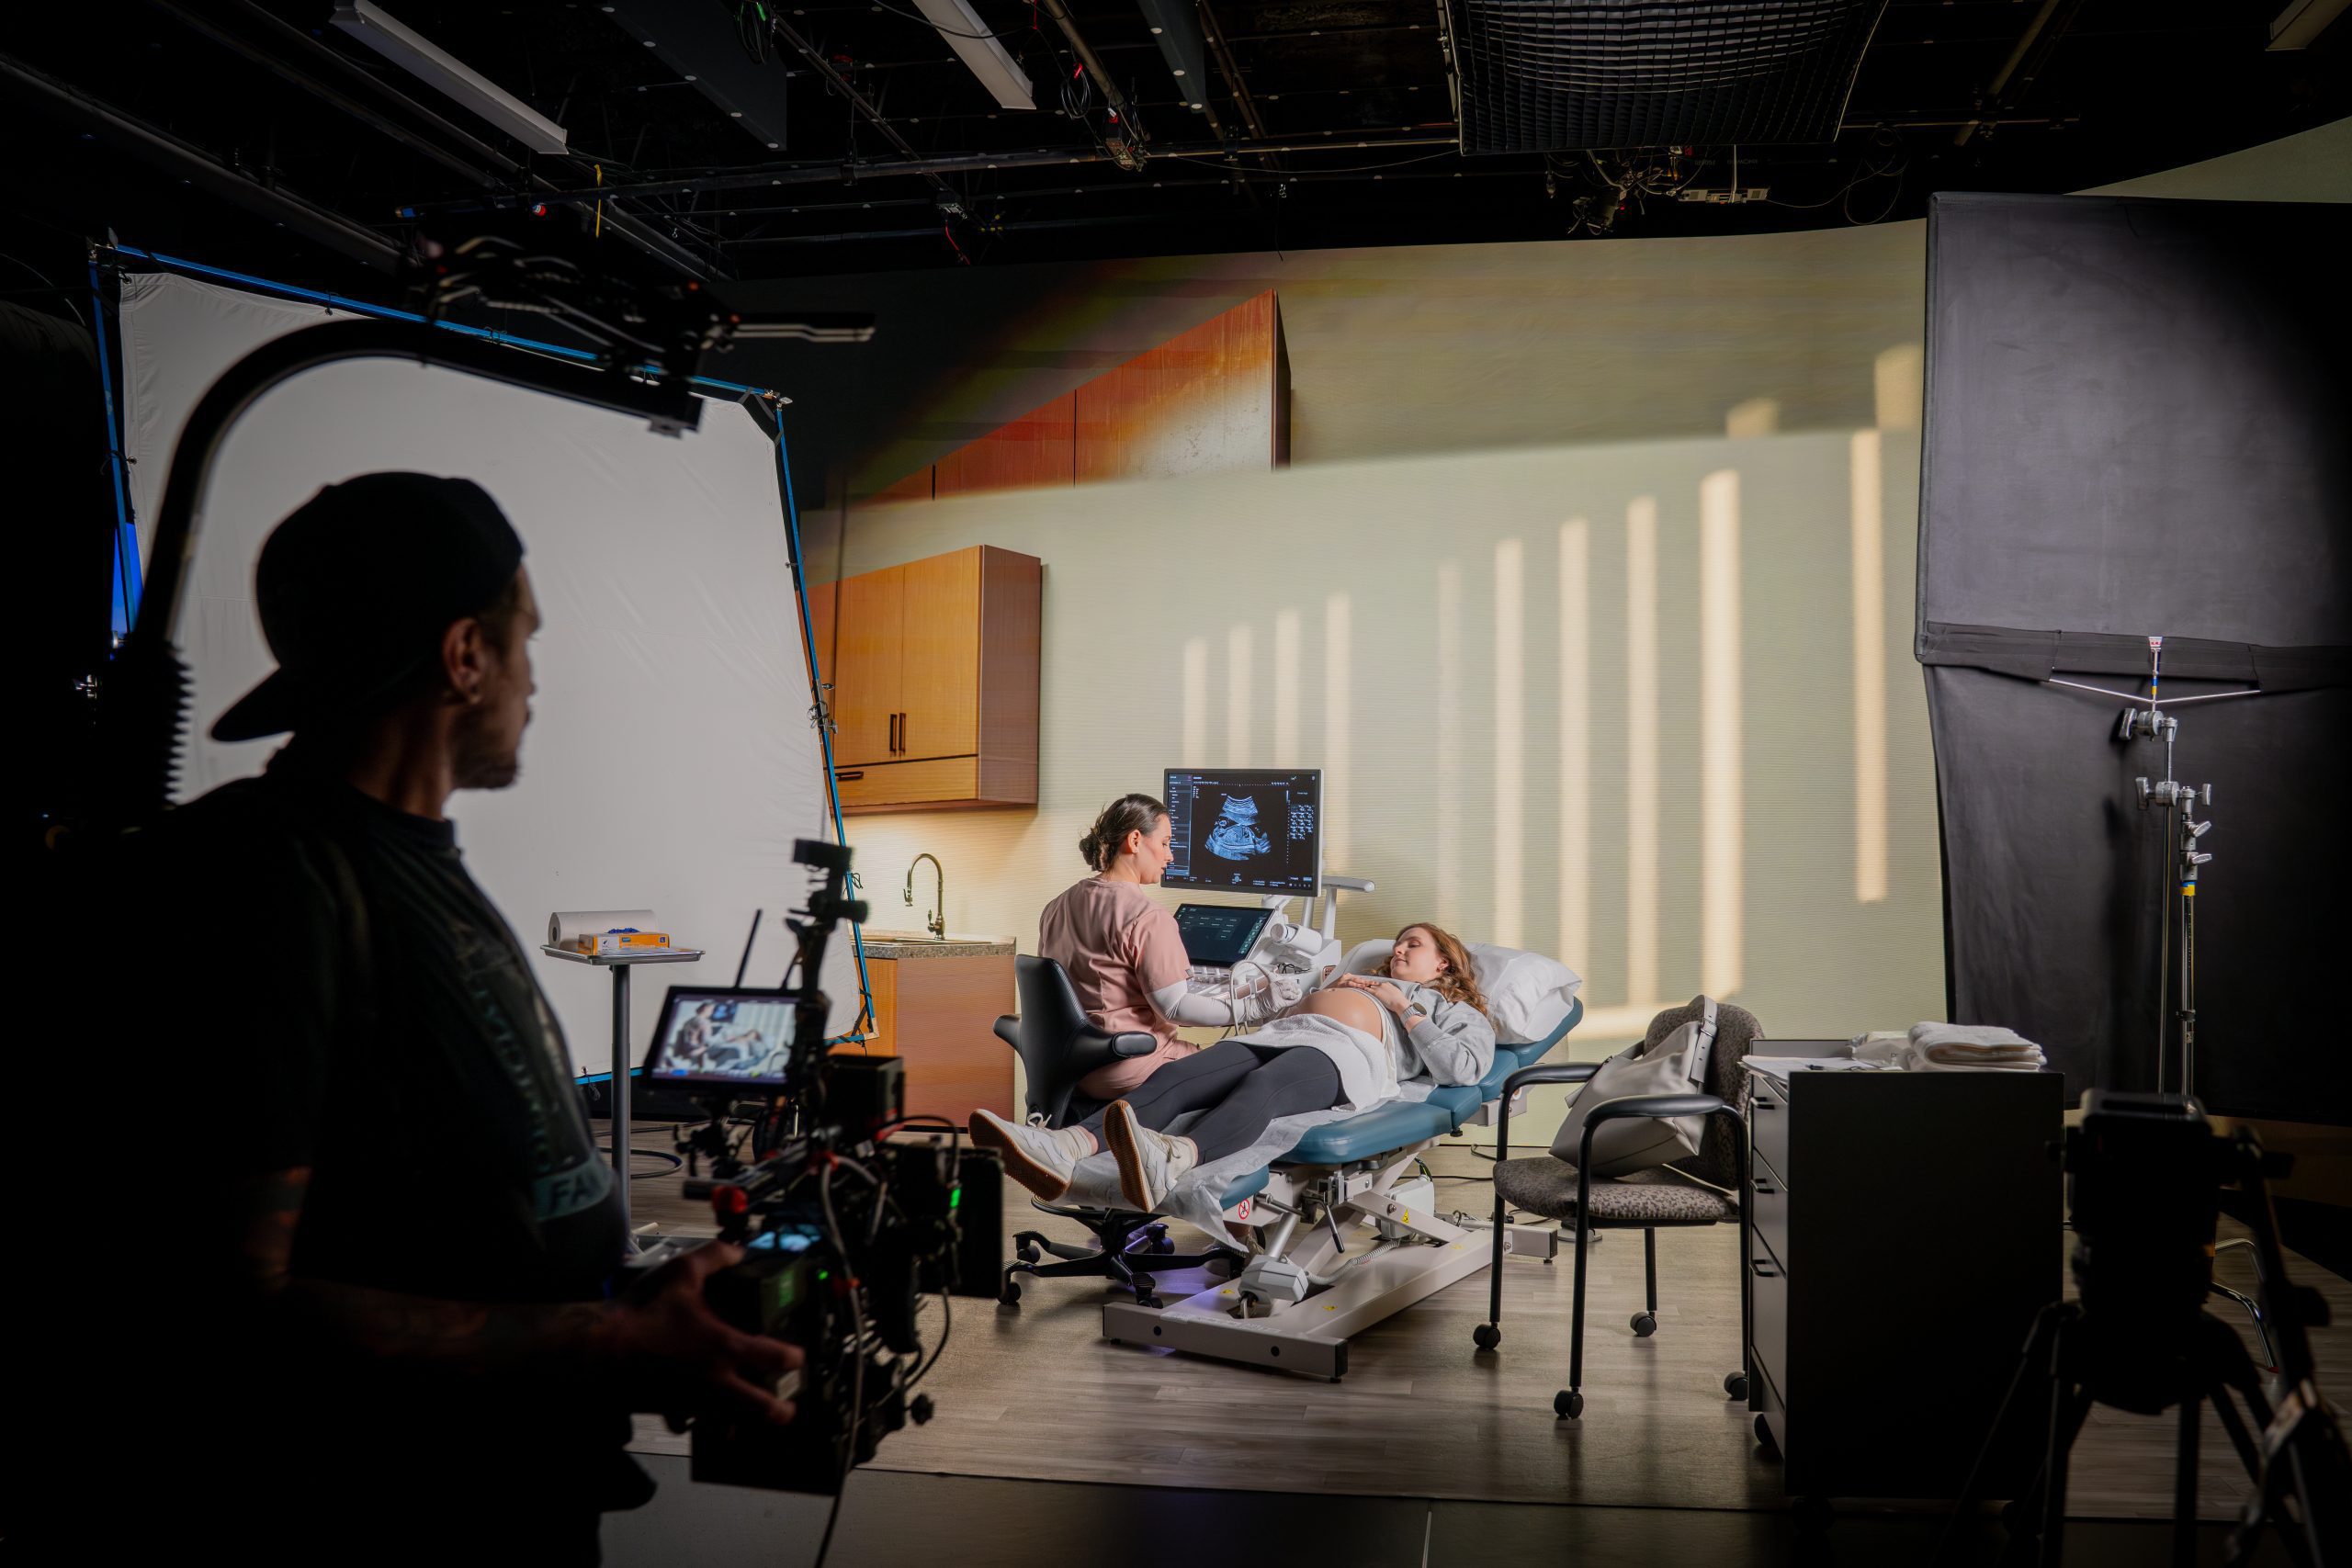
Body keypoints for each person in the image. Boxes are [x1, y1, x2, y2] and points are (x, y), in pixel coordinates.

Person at [83, 475, 798, 1562]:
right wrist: (601, 1336)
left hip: (519, 1496)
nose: (533, 682)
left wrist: (627, 1295)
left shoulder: (407, 866)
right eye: (525, 645)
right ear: (465, 656)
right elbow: (221, 1309)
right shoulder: (265, 881)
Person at [975, 922, 1496, 1212]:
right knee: (1180, 1075)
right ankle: (1065, 1145)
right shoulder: (1358, 976)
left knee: (1264, 1086)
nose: (1399, 948)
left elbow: (1463, 1070)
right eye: (1398, 941)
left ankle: (1178, 1157)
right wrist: (1310, 993)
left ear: (1443, 964)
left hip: (1349, 1054)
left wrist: (1401, 1005)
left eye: (1413, 944)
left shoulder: (1458, 1011)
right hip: (1287, 1032)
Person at [1028, 793, 1284, 1104]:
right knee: (1255, 1065)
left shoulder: (1057, 906)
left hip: (1071, 1066)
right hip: (1129, 1065)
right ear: (1135, 840)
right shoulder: (1147, 917)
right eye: (1164, 843)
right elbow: (1175, 1008)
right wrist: (1253, 1008)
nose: (1171, 856)